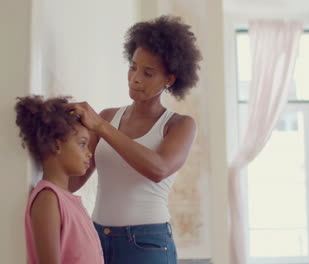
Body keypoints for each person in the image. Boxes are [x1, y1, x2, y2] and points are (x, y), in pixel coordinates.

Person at [68, 15, 202, 264]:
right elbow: (73, 181)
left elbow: (158, 169)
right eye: (133, 67)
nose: (135, 78)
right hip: (96, 236)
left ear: (169, 79)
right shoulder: (109, 117)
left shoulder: (180, 125)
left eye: (148, 73)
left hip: (146, 242)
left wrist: (100, 127)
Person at [15, 96, 104, 264]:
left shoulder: (68, 200)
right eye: (82, 144)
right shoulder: (48, 199)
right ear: (57, 145)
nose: (89, 153)